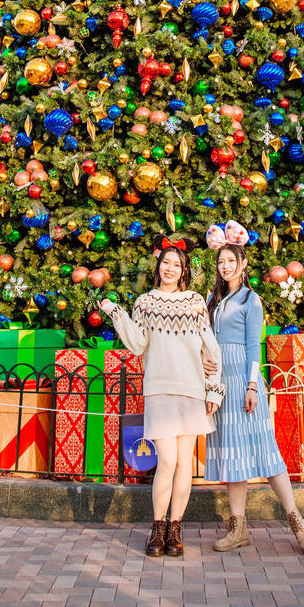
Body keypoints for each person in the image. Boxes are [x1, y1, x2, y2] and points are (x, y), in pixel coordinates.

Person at [100, 239, 224, 557]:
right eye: (166, 262)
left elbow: (211, 348)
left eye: (176, 265)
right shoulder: (145, 303)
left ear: (184, 271)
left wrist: (214, 388)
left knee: (184, 463)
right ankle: (157, 529)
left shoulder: (194, 302)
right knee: (167, 461)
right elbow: (139, 344)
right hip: (160, 390)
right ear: (159, 266)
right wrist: (116, 313)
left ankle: (175, 529)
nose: (170, 269)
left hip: (191, 389)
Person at [201, 222, 304, 555]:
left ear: (242, 264)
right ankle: (238, 527)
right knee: (233, 455)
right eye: (221, 261)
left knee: (266, 453)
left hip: (244, 382)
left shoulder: (251, 300)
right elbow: (205, 339)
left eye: (231, 260)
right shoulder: (212, 299)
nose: (225, 266)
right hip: (220, 384)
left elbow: (255, 346)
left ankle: (296, 519)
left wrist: (253, 385)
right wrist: (206, 362)